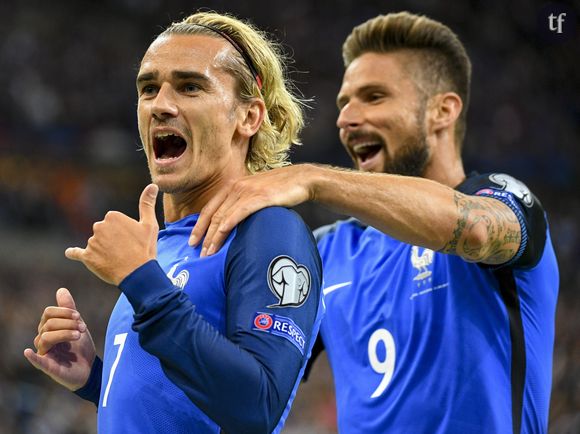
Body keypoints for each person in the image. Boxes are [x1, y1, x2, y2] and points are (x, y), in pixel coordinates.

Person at [188, 11, 559, 434]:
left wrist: (313, 178)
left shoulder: (504, 199)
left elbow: (474, 230)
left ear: (442, 110)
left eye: (374, 97)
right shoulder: (325, 252)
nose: (346, 118)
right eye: (345, 102)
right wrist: (97, 379)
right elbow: (238, 386)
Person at [23, 11, 323, 434]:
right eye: (148, 88)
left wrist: (143, 281)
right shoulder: (161, 246)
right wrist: (95, 379)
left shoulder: (268, 231)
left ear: (249, 117)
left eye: (190, 86)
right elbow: (182, 405)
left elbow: (258, 405)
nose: (161, 105)